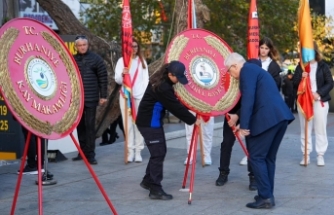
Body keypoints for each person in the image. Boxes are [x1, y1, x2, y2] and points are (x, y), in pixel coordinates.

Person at [225, 52, 294, 209]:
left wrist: (244, 127)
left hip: (267, 120)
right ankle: (267, 194)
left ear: (235, 65)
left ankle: (266, 197)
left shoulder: (246, 71)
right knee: (268, 158)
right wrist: (237, 117)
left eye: (229, 70)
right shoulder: (256, 71)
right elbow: (257, 97)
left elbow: (249, 98)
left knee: (256, 157)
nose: (231, 75)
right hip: (279, 118)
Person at [136, 61, 200, 200]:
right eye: (177, 77)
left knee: (158, 152)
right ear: (170, 74)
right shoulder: (163, 87)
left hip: (151, 122)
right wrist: (193, 120)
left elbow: (175, 102)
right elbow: (175, 107)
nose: (178, 81)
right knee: (158, 153)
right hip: (149, 123)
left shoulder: (162, 80)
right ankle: (155, 189)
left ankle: (148, 181)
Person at [216, 59, 262, 191]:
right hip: (231, 114)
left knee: (252, 145)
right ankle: (223, 173)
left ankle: (253, 176)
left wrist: (238, 116)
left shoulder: (259, 82)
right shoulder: (234, 78)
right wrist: (229, 113)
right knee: (226, 143)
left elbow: (252, 102)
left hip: (250, 115)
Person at [239, 37, 282, 166]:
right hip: (252, 99)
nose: (263, 51)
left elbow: (276, 85)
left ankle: (259, 154)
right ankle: (248, 154)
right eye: (261, 48)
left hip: (265, 102)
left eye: (266, 48)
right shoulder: (252, 62)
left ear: (270, 50)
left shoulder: (273, 66)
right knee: (249, 126)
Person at [293, 42, 333, 166]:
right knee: (305, 128)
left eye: (310, 51)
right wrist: (301, 77)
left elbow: (330, 83)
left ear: (315, 51)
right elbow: (294, 83)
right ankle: (306, 154)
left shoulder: (323, 66)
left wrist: (319, 93)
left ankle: (320, 155)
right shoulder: (301, 66)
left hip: (319, 101)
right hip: (304, 101)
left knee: (320, 128)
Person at [72, 35, 108, 165]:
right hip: (77, 100)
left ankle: (90, 155)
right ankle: (82, 152)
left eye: (84, 45)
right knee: (79, 127)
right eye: (79, 45)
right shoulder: (72, 59)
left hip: (91, 98)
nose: (82, 47)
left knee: (90, 126)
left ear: (88, 45)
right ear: (76, 47)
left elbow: (103, 77)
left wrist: (103, 95)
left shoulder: (96, 59)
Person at [115, 39, 149, 163]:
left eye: (136, 46)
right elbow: (117, 80)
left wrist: (142, 94)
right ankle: (130, 151)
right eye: (131, 46)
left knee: (139, 124)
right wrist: (123, 74)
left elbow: (146, 80)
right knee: (127, 125)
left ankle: (138, 151)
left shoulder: (142, 62)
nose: (134, 48)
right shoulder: (121, 61)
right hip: (125, 96)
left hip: (139, 96)